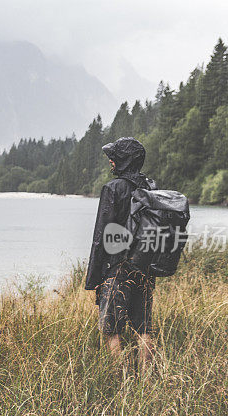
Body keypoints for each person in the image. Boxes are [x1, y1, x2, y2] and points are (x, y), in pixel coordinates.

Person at [85, 137, 157, 373]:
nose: (110, 161)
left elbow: (101, 237)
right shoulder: (151, 188)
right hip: (145, 266)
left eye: (114, 157)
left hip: (116, 268)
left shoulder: (113, 189)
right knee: (143, 327)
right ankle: (147, 383)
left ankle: (121, 382)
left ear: (124, 161)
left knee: (112, 328)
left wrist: (94, 279)